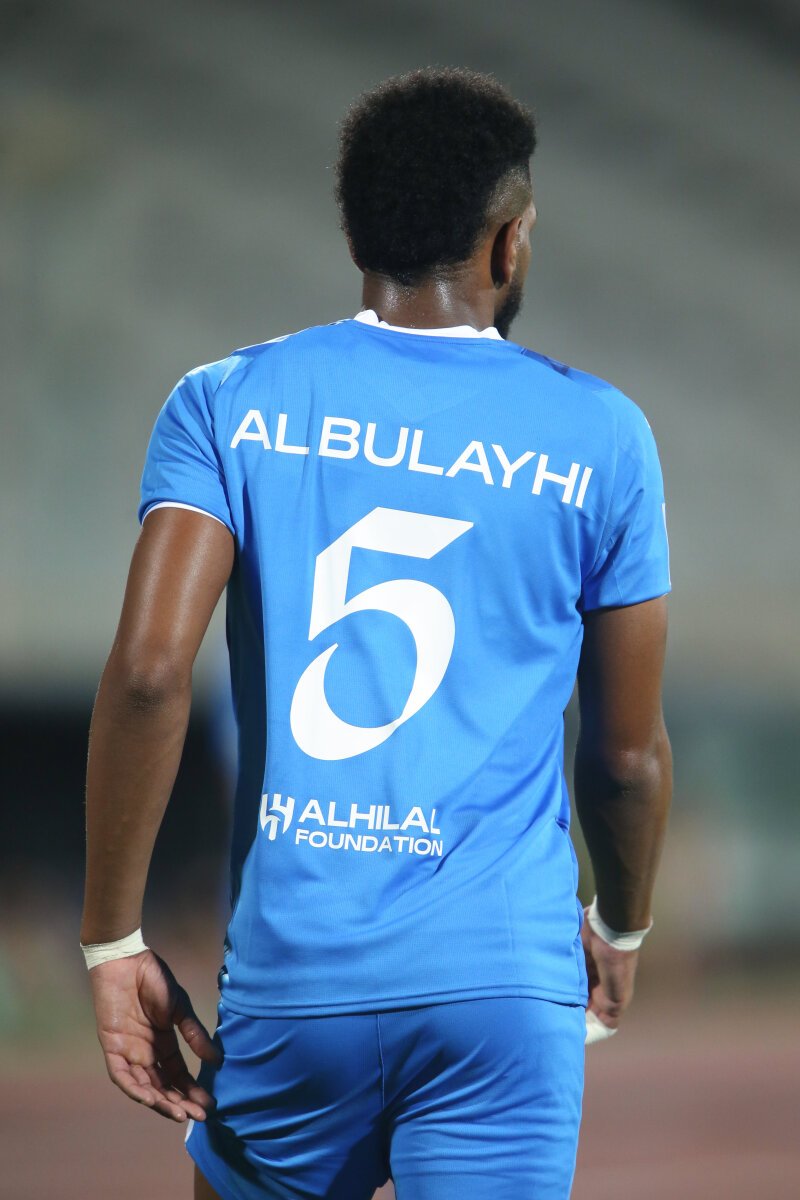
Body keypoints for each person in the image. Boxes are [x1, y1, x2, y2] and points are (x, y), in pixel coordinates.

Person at [80, 67, 672, 1200]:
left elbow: (150, 674)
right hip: (503, 980)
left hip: (297, 979)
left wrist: (113, 942)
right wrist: (622, 924)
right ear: (508, 243)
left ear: (357, 235)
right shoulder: (603, 436)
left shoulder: (226, 402)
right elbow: (627, 754)